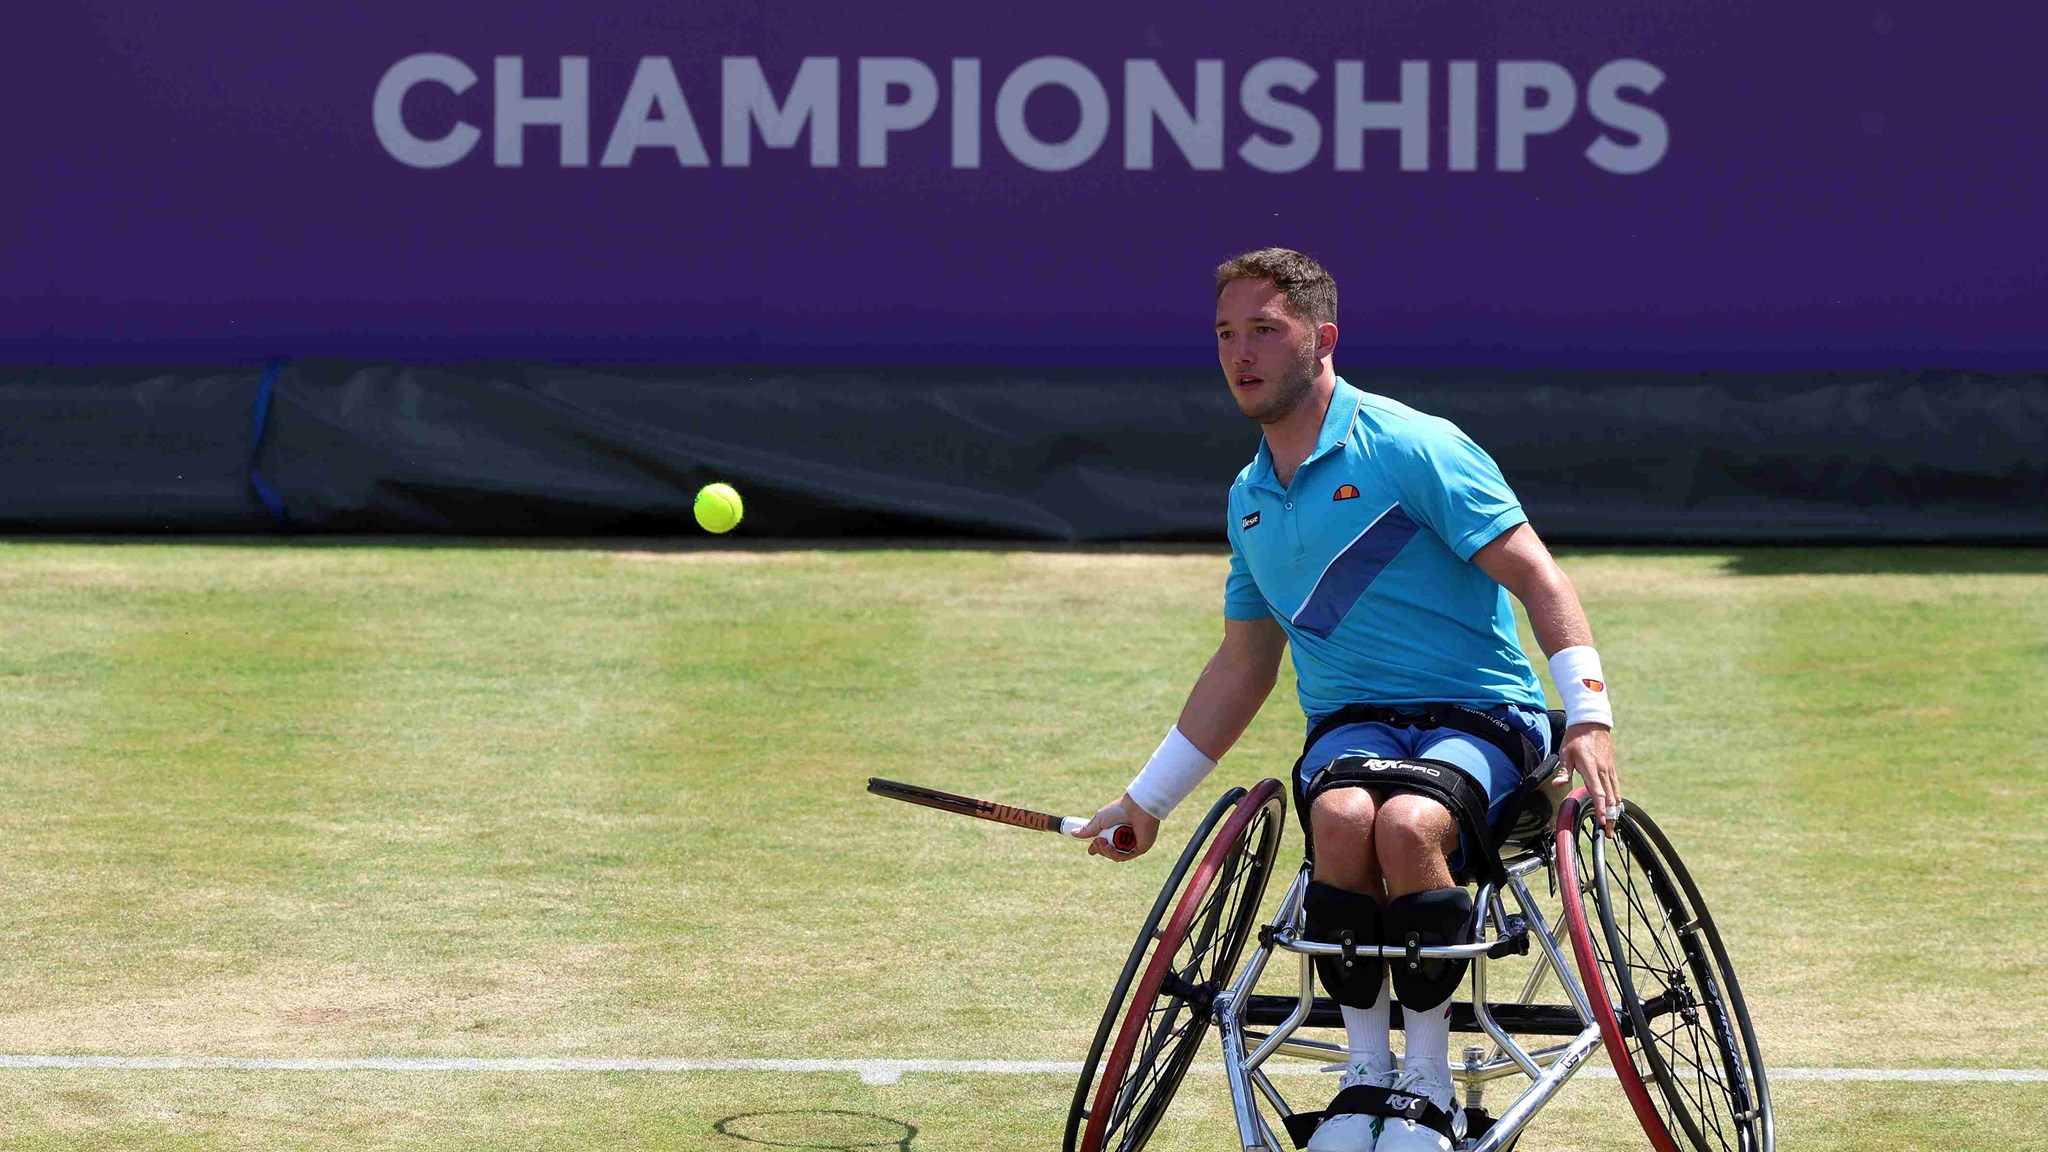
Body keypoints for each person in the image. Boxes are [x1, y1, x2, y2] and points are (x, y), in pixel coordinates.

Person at [1075, 248, 1619, 1152]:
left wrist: (1590, 715)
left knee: (1407, 828)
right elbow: (1243, 664)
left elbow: (1541, 581)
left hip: (1480, 712)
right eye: (1224, 334)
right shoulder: (1249, 497)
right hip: (1354, 724)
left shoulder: (1414, 447)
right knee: (1338, 818)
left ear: (1322, 339)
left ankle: (1430, 1089)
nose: (1240, 354)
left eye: (1264, 330)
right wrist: (1146, 802)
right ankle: (1365, 1081)